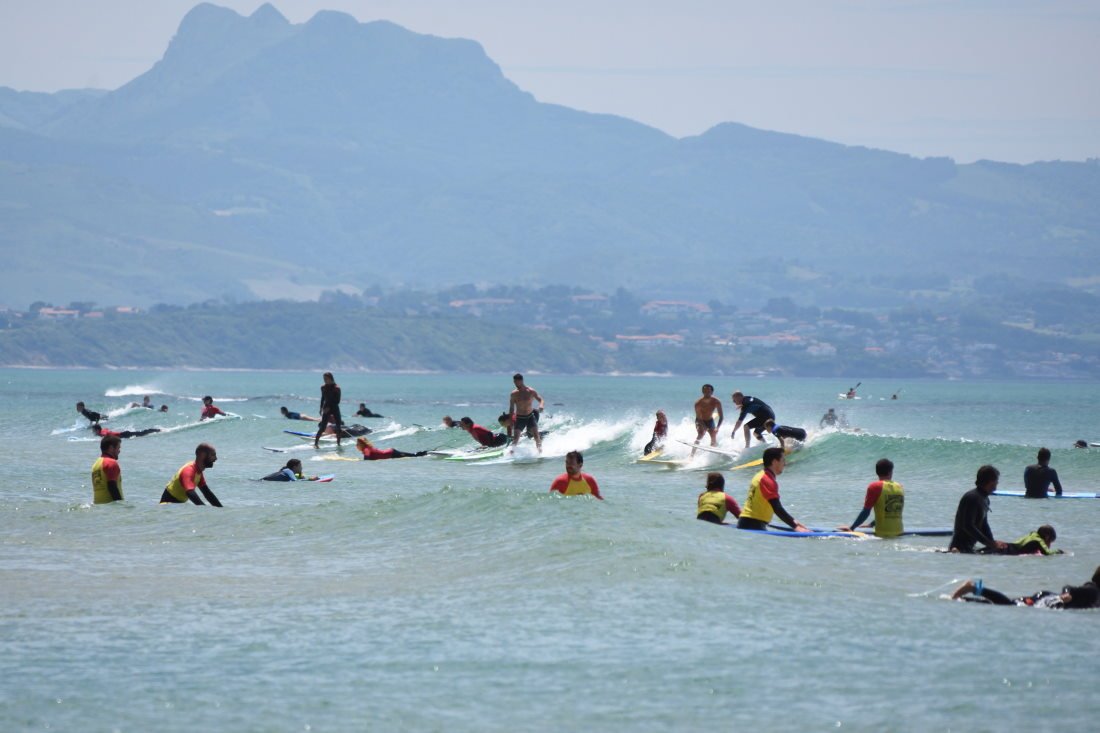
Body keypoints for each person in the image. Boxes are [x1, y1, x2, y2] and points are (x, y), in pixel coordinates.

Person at [950, 566, 1100, 610]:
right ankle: (974, 588)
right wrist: (1067, 595)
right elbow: (1070, 588)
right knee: (1010, 605)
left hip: (1046, 598)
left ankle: (963, 600)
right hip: (1049, 600)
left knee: (1009, 605)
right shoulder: (1093, 591)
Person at [736, 447, 809, 532]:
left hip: (748, 523)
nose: (785, 464)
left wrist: (794, 521)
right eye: (783, 460)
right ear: (774, 462)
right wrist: (795, 527)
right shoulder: (767, 480)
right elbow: (777, 508)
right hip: (753, 525)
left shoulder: (760, 475)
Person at [948, 465, 1007, 553]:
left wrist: (992, 543)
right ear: (991, 482)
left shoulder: (984, 499)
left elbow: (984, 524)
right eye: (996, 482)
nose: (996, 486)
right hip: (958, 549)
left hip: (969, 549)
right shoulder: (972, 498)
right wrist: (989, 543)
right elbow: (967, 526)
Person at [838, 458, 904, 537]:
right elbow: (890, 511)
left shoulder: (875, 486)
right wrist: (871, 524)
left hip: (882, 534)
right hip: (899, 532)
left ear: (877, 472)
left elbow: (866, 511)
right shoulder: (899, 486)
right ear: (890, 472)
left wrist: (852, 528)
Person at [508, 373, 545, 452]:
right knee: (516, 438)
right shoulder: (513, 394)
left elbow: (541, 399)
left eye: (516, 382)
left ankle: (540, 453)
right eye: (514, 382)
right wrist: (511, 420)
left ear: (521, 381)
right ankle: (511, 455)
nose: (515, 384)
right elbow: (511, 408)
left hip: (530, 416)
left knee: (536, 436)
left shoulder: (531, 391)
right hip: (520, 418)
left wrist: (541, 405)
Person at [91, 433, 124, 504]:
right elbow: (112, 486)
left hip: (99, 508)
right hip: (111, 510)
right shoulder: (111, 463)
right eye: (118, 448)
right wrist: (121, 508)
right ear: (111, 448)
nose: (119, 451)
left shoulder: (96, 464)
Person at [691, 384, 723, 455]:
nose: (707, 393)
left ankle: (712, 454)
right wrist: (704, 426)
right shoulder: (698, 403)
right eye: (705, 391)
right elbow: (699, 418)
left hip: (710, 420)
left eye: (709, 391)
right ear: (702, 392)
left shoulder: (716, 401)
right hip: (700, 421)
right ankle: (691, 455)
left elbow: (721, 417)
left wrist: (717, 428)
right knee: (701, 433)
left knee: (713, 435)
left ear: (712, 392)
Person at [314, 372, 342, 448]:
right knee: (322, 427)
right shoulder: (323, 387)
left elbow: (338, 401)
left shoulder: (337, 388)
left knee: (338, 426)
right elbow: (323, 398)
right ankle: (316, 444)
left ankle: (338, 444)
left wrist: (329, 407)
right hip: (326, 408)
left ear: (331, 378)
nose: (324, 380)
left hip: (334, 407)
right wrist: (321, 408)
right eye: (324, 379)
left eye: (326, 379)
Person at [355, 437, 427, 460]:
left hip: (391, 453)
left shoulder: (366, 450)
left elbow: (366, 460)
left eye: (357, 444)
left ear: (361, 444)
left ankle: (425, 453)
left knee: (412, 456)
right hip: (390, 453)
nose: (356, 445)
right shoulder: (367, 449)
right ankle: (423, 453)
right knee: (409, 455)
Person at [93, 424, 160, 439]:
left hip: (124, 435)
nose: (93, 432)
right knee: (141, 433)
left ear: (97, 430)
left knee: (142, 433)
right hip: (124, 433)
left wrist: (102, 436)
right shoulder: (102, 430)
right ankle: (155, 430)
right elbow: (106, 429)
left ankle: (157, 430)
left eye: (94, 430)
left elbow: (105, 433)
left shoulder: (102, 433)